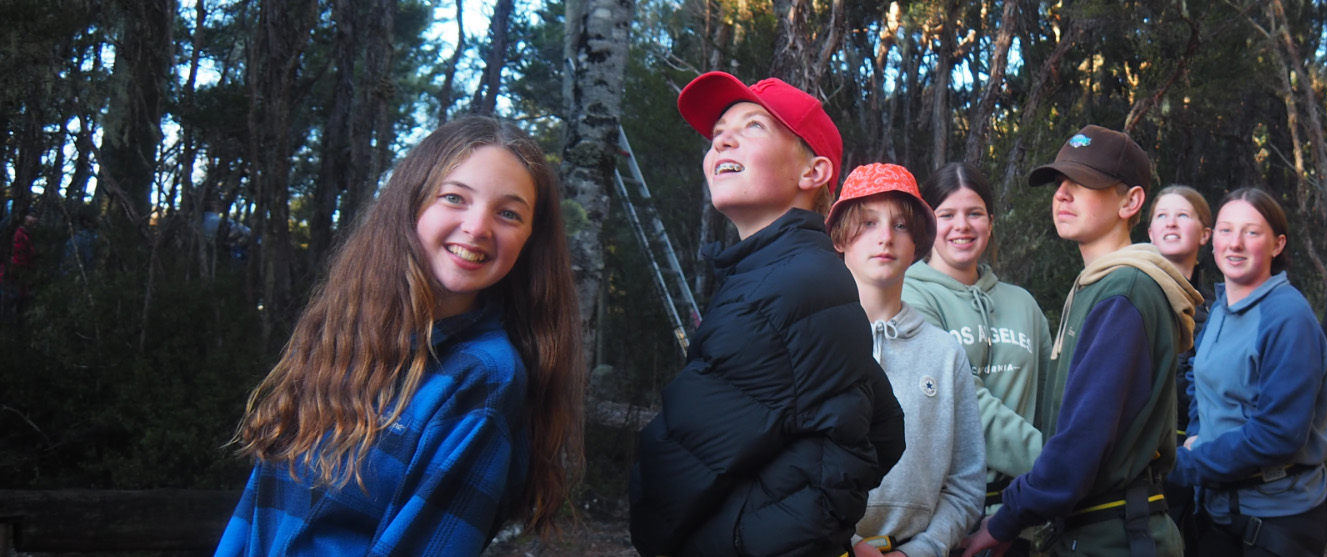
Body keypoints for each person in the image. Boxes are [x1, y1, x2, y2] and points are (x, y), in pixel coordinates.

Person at [216, 116, 584, 555]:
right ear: (411, 204)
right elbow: (255, 510)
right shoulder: (345, 334)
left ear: (529, 240)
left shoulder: (485, 378)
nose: (478, 226)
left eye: (508, 213)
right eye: (454, 198)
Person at [628, 71, 907, 556]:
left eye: (753, 126)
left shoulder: (778, 289)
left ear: (813, 173)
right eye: (717, 135)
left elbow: (668, 477)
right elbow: (885, 431)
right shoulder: (806, 275)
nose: (723, 140)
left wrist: (759, 531)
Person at [961, 124, 1203, 557]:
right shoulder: (1098, 286)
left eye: (1084, 183)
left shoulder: (1125, 291)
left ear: (1130, 201)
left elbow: (1081, 444)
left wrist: (1007, 519)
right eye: (1060, 184)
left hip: (1116, 536)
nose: (1062, 195)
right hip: (1091, 530)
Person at [830, 163, 987, 557]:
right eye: (867, 223)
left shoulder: (945, 352)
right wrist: (845, 544)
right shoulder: (813, 344)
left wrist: (923, 550)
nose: (885, 237)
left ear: (917, 241)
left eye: (900, 225)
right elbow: (785, 468)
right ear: (839, 237)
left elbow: (966, 482)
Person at [1171, 188, 1327, 555]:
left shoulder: (1287, 317)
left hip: (1276, 520)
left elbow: (1279, 434)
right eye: (1227, 231)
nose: (1236, 244)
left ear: (1277, 245)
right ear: (1212, 241)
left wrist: (1188, 464)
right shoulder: (1218, 311)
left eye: (1252, 232)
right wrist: (1197, 435)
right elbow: (1200, 383)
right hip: (1218, 510)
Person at [900, 163, 1049, 525]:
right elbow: (964, 402)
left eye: (975, 214)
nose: (962, 225)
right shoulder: (906, 297)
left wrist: (1045, 492)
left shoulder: (1023, 303)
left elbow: (1049, 398)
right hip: (939, 516)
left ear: (991, 223)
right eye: (947, 214)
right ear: (927, 223)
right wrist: (1058, 463)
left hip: (1018, 512)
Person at [1144, 184, 1214, 546]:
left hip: (1203, 465)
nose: (1171, 223)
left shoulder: (1219, 314)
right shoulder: (1129, 300)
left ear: (1206, 234)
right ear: (1150, 232)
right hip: (1142, 466)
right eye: (1161, 216)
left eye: (1183, 215)